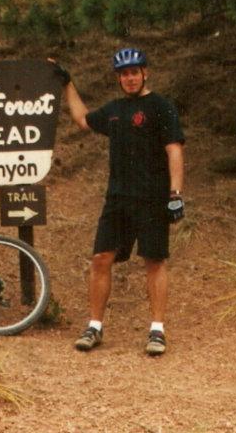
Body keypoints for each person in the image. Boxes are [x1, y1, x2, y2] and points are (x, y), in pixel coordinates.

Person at [54, 48, 185, 356]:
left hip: (153, 197)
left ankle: (157, 331)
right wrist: (67, 83)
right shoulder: (114, 110)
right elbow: (83, 120)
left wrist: (176, 194)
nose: (129, 78)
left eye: (134, 72)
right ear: (119, 78)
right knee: (101, 258)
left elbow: (175, 150)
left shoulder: (161, 107)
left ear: (145, 73)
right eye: (124, 74)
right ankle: (94, 327)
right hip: (118, 198)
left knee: (154, 260)